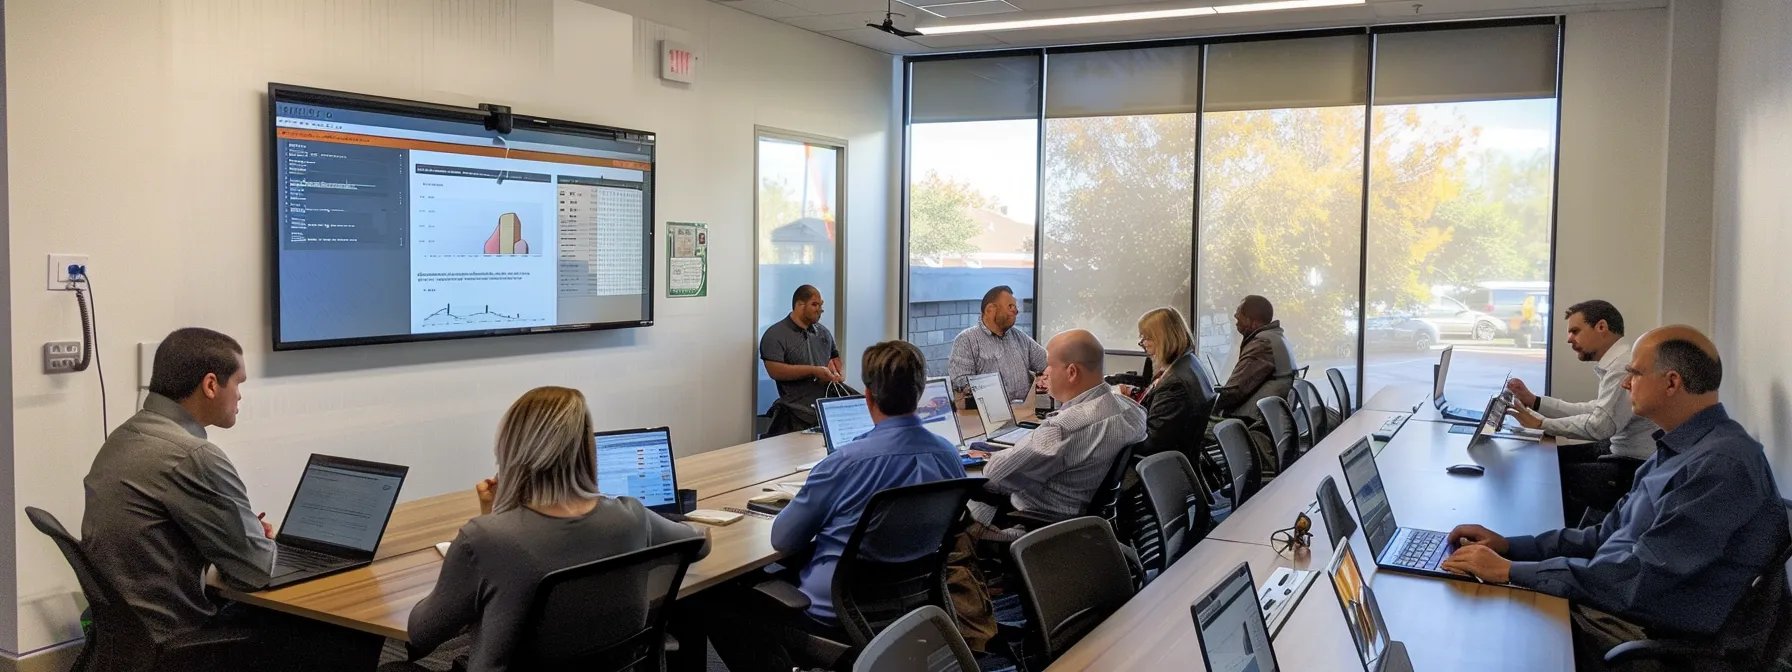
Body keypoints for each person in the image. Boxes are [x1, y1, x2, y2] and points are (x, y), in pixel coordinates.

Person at [1440, 325, 1789, 670]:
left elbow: (1637, 580)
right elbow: (1604, 536)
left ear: (1671, 383)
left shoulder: (1721, 467)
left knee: (1496, 632)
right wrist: (1511, 546)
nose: (1625, 383)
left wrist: (1511, 571)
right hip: (1621, 601)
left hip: (1653, 635)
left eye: (1634, 373)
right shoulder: (1680, 447)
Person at [83, 328, 367, 670]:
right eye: (239, 383)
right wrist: (253, 541)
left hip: (132, 638)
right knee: (344, 623)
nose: (241, 397)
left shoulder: (126, 435)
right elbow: (256, 571)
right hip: (178, 640)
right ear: (211, 385)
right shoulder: (193, 455)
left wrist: (237, 534)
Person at [400, 387, 710, 671]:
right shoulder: (632, 517)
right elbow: (698, 545)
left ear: (511, 449)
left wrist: (489, 525)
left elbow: (422, 634)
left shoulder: (484, 538)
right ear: (587, 450)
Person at [708, 341, 967, 672]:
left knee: (715, 599)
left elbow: (783, 540)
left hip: (835, 611)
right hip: (911, 603)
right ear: (919, 394)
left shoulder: (844, 463)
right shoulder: (948, 455)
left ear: (868, 397)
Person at [1504, 300, 1658, 524]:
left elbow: (1600, 426)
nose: (1569, 339)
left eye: (1575, 331)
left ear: (1601, 327)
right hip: (1621, 451)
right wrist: (1535, 402)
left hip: (1633, 466)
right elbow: (1597, 410)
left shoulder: (1622, 366)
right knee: (1548, 459)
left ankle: (1568, 547)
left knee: (1548, 477)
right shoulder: (1618, 361)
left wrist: (1541, 424)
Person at [975, 329, 1147, 526]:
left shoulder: (1063, 429)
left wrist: (995, 455)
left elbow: (994, 476)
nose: (1044, 373)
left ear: (1072, 372)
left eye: (1049, 365)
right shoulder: (1134, 411)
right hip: (1087, 522)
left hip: (1039, 523)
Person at [1131, 308, 1218, 467]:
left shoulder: (1175, 383)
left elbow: (1151, 444)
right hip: (1183, 457)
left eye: (1147, 337)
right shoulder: (1190, 363)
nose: (1143, 343)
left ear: (1163, 338)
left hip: (1164, 468)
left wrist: (1118, 434)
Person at [760, 284, 844, 435]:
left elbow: (833, 359)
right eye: (814, 304)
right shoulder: (775, 335)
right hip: (794, 410)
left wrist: (835, 372)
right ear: (799, 305)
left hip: (825, 408)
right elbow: (774, 370)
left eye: (821, 305)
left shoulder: (823, 333)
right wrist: (813, 371)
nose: (819, 309)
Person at [948, 285, 1048, 404]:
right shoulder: (966, 340)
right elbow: (960, 383)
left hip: (1025, 414)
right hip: (984, 416)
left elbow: (1046, 363)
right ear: (990, 309)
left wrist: (1046, 377)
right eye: (1010, 306)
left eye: (1015, 307)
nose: (1016, 311)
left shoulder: (1020, 337)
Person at [1212, 295, 1298, 426]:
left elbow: (1235, 390)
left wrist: (1212, 411)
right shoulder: (1275, 337)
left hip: (1252, 423)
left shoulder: (1263, 344)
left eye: (1240, 313)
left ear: (1254, 321)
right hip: (1265, 418)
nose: (1235, 317)